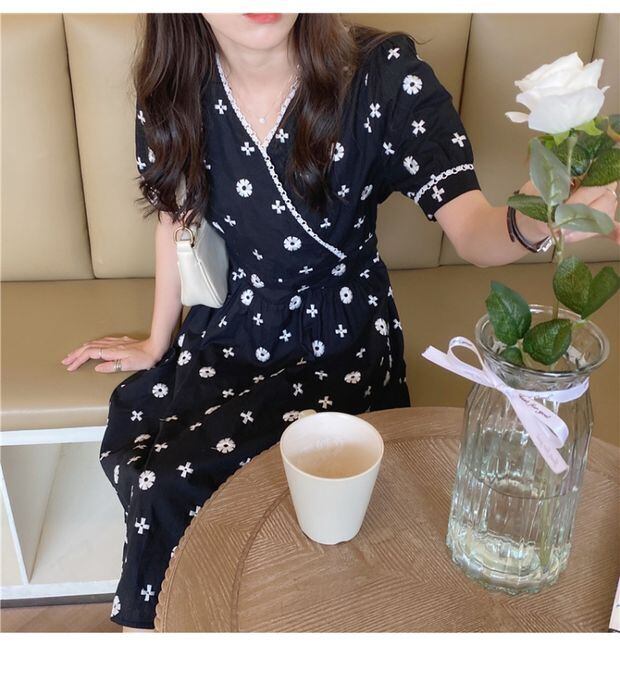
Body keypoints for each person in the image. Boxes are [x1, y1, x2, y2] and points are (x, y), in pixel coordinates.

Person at [61, 13, 619, 632]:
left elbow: (473, 230)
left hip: (342, 336)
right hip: (232, 325)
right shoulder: (175, 86)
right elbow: (177, 217)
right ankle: (179, 629)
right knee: (158, 478)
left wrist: (542, 217)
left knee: (306, 507)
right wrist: (155, 340)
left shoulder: (383, 74)